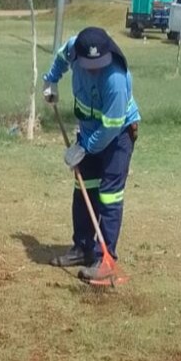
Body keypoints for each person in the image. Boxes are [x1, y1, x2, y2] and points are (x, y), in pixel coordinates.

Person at [41, 27, 140, 281]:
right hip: (88, 131)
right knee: (84, 187)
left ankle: (105, 258)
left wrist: (83, 148)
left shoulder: (116, 79)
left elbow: (111, 127)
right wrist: (51, 80)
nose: (95, 70)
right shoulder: (74, 47)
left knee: (109, 195)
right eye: (89, 65)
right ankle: (83, 248)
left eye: (99, 64)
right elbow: (62, 56)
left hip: (117, 135)